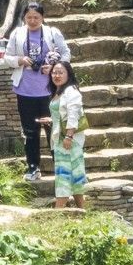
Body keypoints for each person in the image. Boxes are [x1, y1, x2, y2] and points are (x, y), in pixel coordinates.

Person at [4, 1, 68, 178]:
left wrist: (54, 66)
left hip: (49, 90)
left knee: (54, 130)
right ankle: (33, 167)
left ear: (43, 18)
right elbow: (7, 57)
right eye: (29, 17)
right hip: (25, 90)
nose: (32, 21)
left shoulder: (52, 33)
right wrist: (20, 60)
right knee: (30, 132)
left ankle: (61, 169)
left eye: (36, 17)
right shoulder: (17, 33)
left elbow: (66, 54)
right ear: (24, 17)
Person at [44, 59, 86, 208]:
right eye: (54, 72)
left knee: (63, 174)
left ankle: (58, 211)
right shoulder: (58, 92)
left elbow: (73, 115)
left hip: (68, 140)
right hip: (60, 138)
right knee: (75, 174)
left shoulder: (71, 91)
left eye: (61, 72)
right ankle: (83, 209)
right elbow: (61, 114)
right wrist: (51, 119)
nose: (57, 75)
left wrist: (69, 136)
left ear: (68, 74)